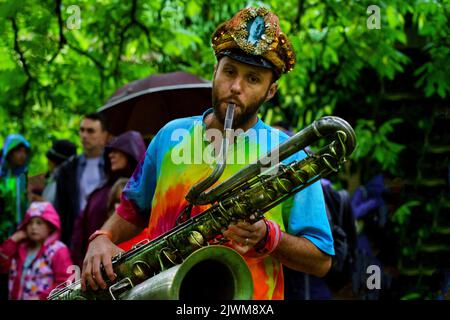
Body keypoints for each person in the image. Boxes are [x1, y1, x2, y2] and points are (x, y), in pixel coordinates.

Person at [81, 7, 334, 300]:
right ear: (214, 72)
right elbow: (132, 210)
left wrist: (268, 237)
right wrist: (103, 237)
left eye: (253, 79)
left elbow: (321, 261)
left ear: (271, 91)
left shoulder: (288, 153)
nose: (236, 87)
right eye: (229, 72)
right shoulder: (169, 136)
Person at [70, 131, 146, 267]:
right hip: (97, 264)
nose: (111, 155)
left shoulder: (147, 191)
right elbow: (79, 233)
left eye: (117, 151)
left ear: (131, 152)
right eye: (110, 151)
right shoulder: (97, 194)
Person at [54, 113, 109, 246]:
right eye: (82, 130)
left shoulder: (112, 164)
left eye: (90, 131)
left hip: (106, 232)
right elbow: (60, 209)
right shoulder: (67, 169)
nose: (84, 135)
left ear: (104, 136)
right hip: (76, 237)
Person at [0, 201, 73, 300]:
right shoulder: (19, 247)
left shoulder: (58, 250)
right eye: (30, 223)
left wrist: (41, 298)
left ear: (50, 226)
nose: (33, 227)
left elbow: (66, 282)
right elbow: (2, 265)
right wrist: (13, 240)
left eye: (39, 223)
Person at [0, 134, 31, 243]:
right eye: (18, 151)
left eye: (25, 152)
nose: (22, 155)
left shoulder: (25, 178)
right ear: (9, 152)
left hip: (23, 235)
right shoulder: (2, 178)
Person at [30, 139, 77, 206]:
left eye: (51, 160)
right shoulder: (52, 179)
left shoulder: (67, 183)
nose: (48, 163)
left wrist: (43, 204)